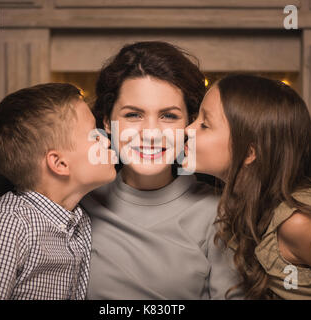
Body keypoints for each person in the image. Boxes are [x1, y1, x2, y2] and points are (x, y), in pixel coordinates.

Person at [80, 41, 241, 299]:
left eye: (169, 116)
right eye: (133, 115)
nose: (151, 134)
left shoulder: (219, 212)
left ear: (190, 123)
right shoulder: (78, 203)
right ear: (107, 123)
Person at [184, 74, 311, 299]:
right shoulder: (238, 202)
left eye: (204, 124)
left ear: (250, 153)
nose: (188, 129)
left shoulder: (300, 223)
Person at [0, 83, 117, 299]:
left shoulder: (80, 222)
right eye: (94, 136)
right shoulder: (7, 226)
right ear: (59, 163)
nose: (106, 140)